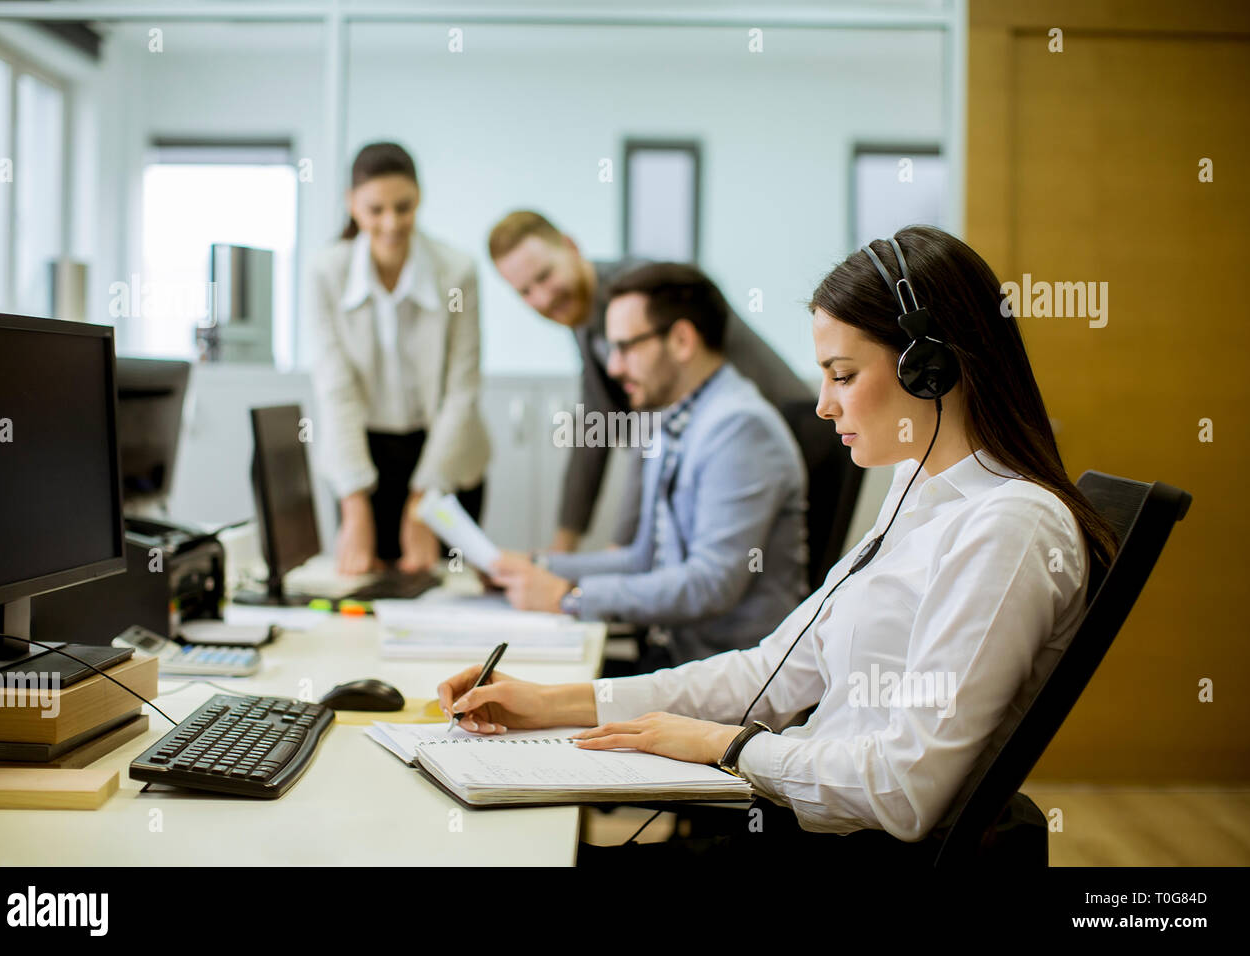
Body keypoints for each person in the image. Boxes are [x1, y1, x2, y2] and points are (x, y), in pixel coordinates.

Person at [439, 225, 1119, 865]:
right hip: (795, 813)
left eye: (844, 375)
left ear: (929, 370)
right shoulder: (920, 490)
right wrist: (552, 701)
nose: (822, 406)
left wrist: (728, 747)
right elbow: (767, 671)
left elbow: (906, 792)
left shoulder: (1010, 528)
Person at [491, 263, 807, 670]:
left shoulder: (740, 428)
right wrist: (537, 568)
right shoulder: (670, 420)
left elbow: (710, 585)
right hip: (678, 661)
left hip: (730, 675)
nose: (614, 367)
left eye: (626, 347)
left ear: (680, 340)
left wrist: (570, 597)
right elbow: (644, 557)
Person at [488, 210, 812, 552]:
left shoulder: (639, 296)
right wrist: (562, 550)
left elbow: (653, 430)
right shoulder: (585, 317)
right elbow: (596, 428)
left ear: (571, 246)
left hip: (787, 440)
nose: (542, 298)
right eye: (525, 291)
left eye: (545, 276)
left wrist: (615, 554)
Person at [306, 142, 489, 574]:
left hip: (446, 455)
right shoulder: (325, 273)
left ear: (419, 198)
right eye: (375, 209)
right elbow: (336, 390)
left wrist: (425, 500)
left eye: (403, 207)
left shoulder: (457, 272)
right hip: (362, 456)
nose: (391, 223)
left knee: (440, 587)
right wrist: (354, 505)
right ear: (352, 205)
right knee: (365, 584)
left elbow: (461, 392)